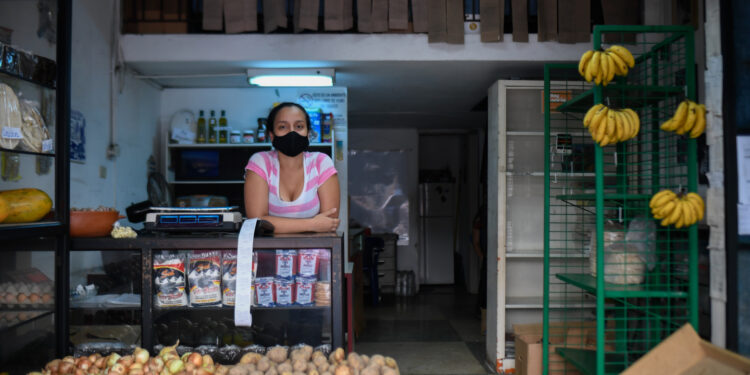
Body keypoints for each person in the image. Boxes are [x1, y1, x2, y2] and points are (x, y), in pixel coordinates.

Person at [244, 102, 340, 233]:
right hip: (268, 252)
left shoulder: (321, 163)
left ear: (307, 133)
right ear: (272, 135)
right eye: (283, 127)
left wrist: (275, 224)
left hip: (315, 252)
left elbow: (330, 223)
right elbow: (256, 222)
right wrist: (312, 224)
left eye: (299, 126)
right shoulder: (261, 162)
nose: (292, 132)